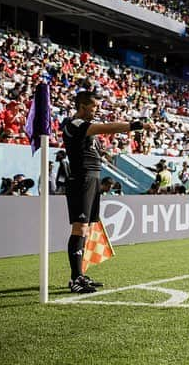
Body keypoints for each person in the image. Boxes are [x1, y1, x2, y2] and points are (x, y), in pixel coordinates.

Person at [61, 90, 154, 294]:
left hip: (92, 178)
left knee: (85, 228)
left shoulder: (84, 129)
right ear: (83, 106)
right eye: (94, 106)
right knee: (79, 227)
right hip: (82, 179)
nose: (97, 110)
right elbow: (106, 128)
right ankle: (75, 278)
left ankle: (80, 274)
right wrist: (136, 125)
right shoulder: (74, 124)